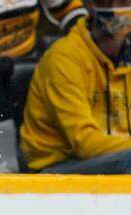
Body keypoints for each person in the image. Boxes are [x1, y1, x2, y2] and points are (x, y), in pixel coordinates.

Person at [21, 0, 131, 173]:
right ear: (87, 5)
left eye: (123, 2)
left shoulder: (127, 56)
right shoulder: (63, 59)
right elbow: (85, 144)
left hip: (114, 157)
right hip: (56, 168)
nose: (115, 8)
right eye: (107, 1)